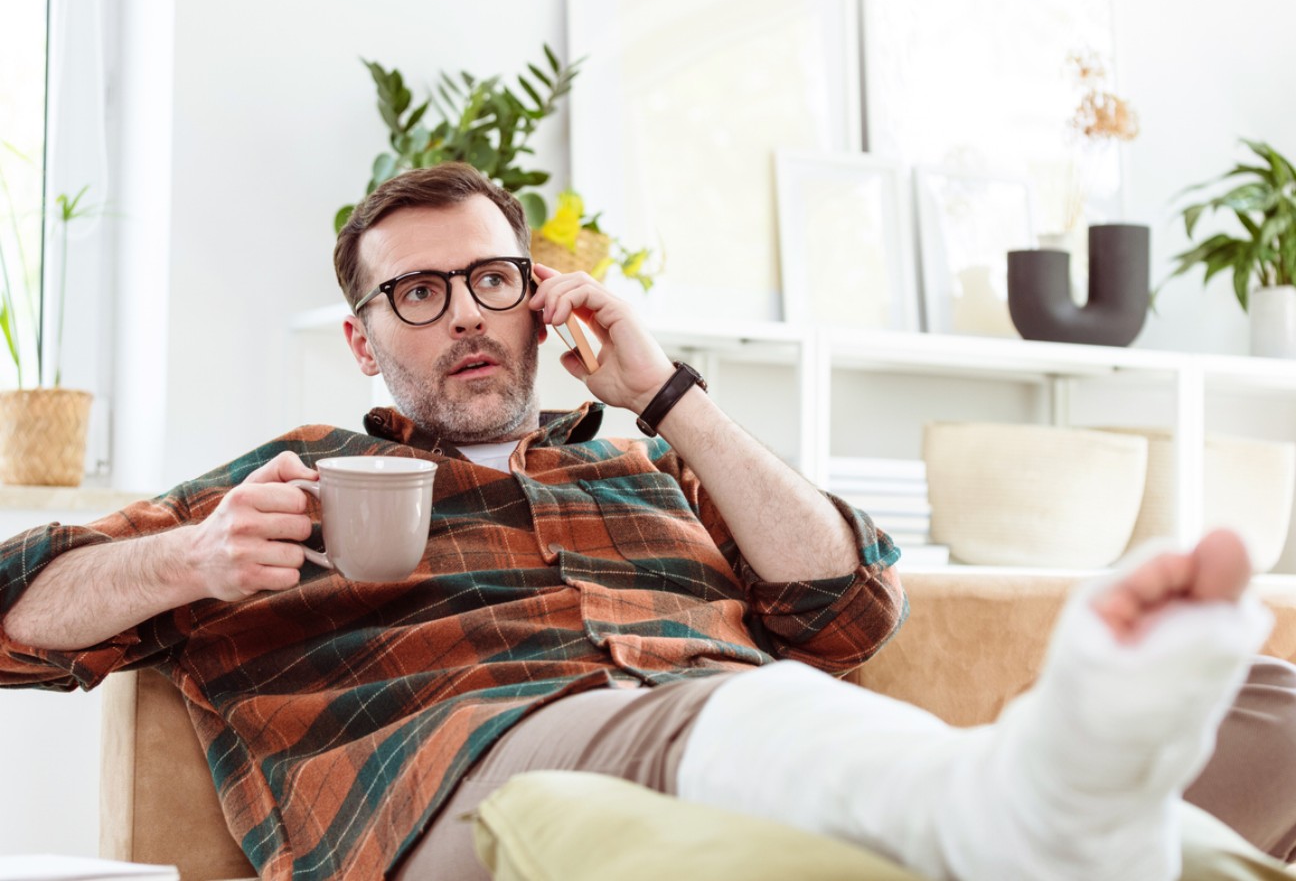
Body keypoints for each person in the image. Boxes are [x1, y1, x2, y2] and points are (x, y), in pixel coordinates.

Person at [0, 162, 1292, 881]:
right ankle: (1021, 811)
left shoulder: (653, 464)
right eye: (417, 293)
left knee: (1273, 705)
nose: (462, 312)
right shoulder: (283, 485)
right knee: (742, 717)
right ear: (361, 337)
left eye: (491, 279)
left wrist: (670, 398)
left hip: (728, 732)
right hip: (462, 791)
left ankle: (1016, 817)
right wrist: (187, 558)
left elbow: (845, 609)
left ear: (539, 300)